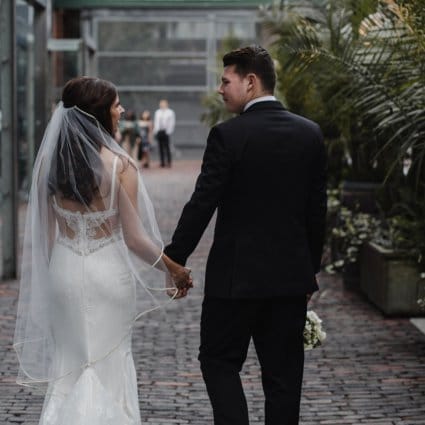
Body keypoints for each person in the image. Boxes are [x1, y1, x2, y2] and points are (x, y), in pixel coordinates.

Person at [13, 76, 192, 425]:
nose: (122, 110)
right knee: (108, 361)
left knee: (71, 364)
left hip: (63, 271)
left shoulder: (49, 163)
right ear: (98, 114)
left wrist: (54, 281)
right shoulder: (119, 166)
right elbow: (136, 240)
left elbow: (45, 238)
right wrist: (174, 269)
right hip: (108, 275)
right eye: (115, 105)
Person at [164, 45, 327, 425]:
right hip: (289, 281)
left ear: (250, 82)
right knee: (284, 380)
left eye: (226, 80)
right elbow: (316, 213)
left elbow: (202, 203)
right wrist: (309, 272)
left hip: (233, 283)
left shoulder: (227, 135)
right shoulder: (310, 134)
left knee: (218, 362)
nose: (220, 89)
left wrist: (175, 258)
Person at [153, 99, 175, 167]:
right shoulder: (157, 112)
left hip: (166, 131)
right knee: (160, 148)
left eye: (164, 103)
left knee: (167, 147)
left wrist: (169, 131)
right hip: (159, 131)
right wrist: (155, 131)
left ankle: (169, 162)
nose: (162, 105)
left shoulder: (170, 112)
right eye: (161, 103)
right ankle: (162, 162)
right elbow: (156, 122)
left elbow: (172, 122)